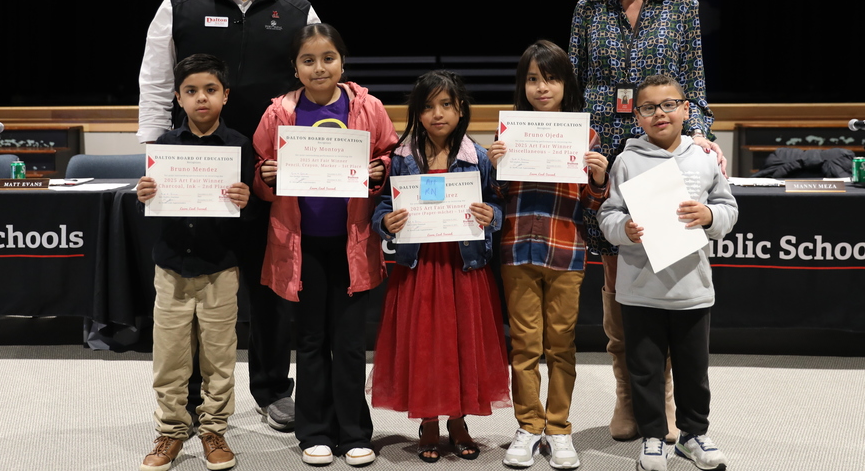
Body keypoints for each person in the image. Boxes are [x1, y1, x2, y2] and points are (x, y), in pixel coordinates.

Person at [138, 0, 320, 431]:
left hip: (266, 171)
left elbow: (315, 83)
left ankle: (270, 389)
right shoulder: (179, 6)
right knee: (197, 286)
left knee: (269, 287)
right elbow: (154, 85)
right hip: (194, 173)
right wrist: (154, 159)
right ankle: (194, 397)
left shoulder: (297, 10)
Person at [568, 0, 724, 442]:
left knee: (670, 278)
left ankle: (672, 403)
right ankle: (632, 398)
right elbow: (575, 84)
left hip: (667, 155)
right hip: (606, 159)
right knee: (620, 286)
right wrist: (571, 147)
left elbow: (695, 84)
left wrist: (702, 137)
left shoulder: (681, 7)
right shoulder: (588, 12)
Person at [253, 24, 398, 467]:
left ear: (342, 61)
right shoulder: (278, 113)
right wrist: (266, 178)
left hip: (354, 245)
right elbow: (260, 173)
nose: (320, 68)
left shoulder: (368, 108)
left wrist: (382, 170)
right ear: (295, 67)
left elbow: (392, 155)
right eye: (309, 60)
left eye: (328, 58)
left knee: (351, 343)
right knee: (312, 340)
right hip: (302, 248)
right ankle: (314, 430)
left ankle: (354, 431)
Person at [596, 74, 737, 471]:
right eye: (648, 107)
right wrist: (624, 230)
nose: (660, 113)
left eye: (669, 104)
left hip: (692, 287)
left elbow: (729, 209)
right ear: (637, 116)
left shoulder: (704, 158)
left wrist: (709, 215)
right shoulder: (625, 160)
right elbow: (608, 214)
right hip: (640, 289)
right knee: (644, 368)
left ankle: (694, 435)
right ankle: (654, 437)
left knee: (694, 370)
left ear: (686, 109)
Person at [370, 71, 510, 463]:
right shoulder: (401, 156)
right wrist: (386, 221)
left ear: (460, 108)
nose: (437, 114)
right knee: (425, 344)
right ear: (416, 112)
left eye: (446, 105)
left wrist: (490, 214)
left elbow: (498, 205)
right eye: (428, 106)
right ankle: (429, 420)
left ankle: (459, 421)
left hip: (463, 267)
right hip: (418, 268)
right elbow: (381, 206)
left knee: (463, 344)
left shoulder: (477, 156)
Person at [487, 41, 610, 470]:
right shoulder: (509, 133)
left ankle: (558, 429)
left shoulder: (586, 135)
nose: (542, 88)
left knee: (561, 346)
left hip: (566, 252)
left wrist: (598, 177)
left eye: (551, 78)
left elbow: (594, 202)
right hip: (518, 249)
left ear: (565, 84)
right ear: (523, 85)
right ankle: (527, 426)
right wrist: (494, 169)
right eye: (534, 79)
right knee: (524, 347)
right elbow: (497, 198)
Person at [137, 54, 253, 471]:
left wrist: (246, 201)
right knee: (169, 356)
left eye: (209, 90)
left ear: (225, 95)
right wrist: (146, 195)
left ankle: (214, 430)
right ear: (177, 98)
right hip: (171, 267)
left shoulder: (240, 144)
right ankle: (170, 432)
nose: (201, 98)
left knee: (219, 356)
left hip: (220, 268)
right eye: (191, 91)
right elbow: (154, 209)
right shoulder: (164, 147)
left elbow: (253, 214)